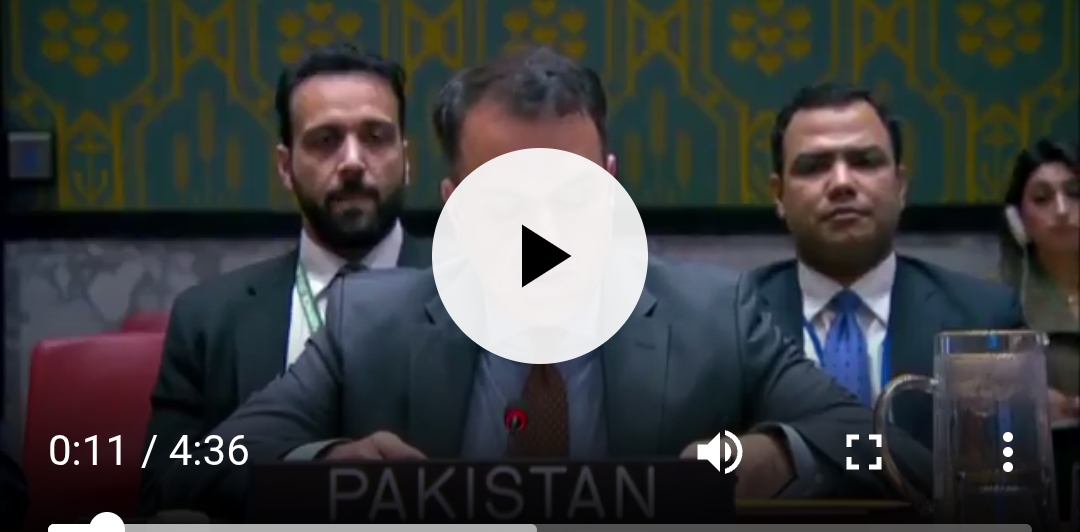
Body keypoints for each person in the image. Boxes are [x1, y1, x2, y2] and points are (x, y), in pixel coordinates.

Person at [152, 47, 932, 521]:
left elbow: (878, 447)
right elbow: (200, 465)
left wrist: (774, 457)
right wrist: (323, 472)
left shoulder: (712, 315)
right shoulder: (369, 323)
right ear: (454, 206)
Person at [139, 44, 431, 513]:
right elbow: (167, 482)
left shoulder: (469, 295)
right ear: (285, 167)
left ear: (406, 158)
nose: (352, 161)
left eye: (376, 137)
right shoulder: (208, 318)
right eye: (325, 140)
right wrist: (311, 469)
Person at [747, 83, 1026, 446]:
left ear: (901, 186)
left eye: (865, 162)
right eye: (813, 167)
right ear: (779, 195)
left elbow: (1009, 466)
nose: (842, 183)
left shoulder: (983, 319)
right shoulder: (729, 323)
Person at [998, 138, 1080, 422]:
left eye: (1075, 193)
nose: (1062, 210)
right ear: (1017, 221)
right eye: (1042, 198)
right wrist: (1023, 399)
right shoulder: (994, 302)